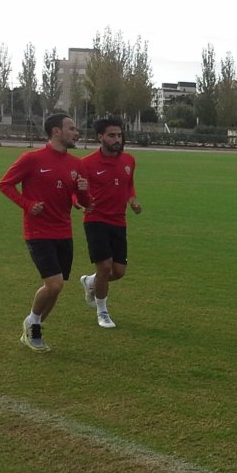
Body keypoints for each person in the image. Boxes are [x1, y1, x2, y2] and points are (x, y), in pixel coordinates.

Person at [0, 113, 90, 352]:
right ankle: (33, 325)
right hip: (38, 231)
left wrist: (82, 192)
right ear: (56, 131)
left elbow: (85, 202)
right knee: (54, 284)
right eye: (71, 128)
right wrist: (28, 205)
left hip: (64, 231)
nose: (76, 132)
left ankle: (33, 325)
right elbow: (5, 184)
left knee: (57, 287)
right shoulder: (31, 159)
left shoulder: (76, 165)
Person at [77, 117, 141, 329]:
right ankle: (102, 311)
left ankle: (90, 282)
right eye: (112, 135)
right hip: (96, 220)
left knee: (118, 271)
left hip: (118, 220)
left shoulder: (129, 161)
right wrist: (78, 203)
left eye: (119, 135)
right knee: (104, 266)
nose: (117, 139)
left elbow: (128, 185)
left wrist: (132, 200)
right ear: (100, 137)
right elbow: (75, 191)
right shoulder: (86, 164)